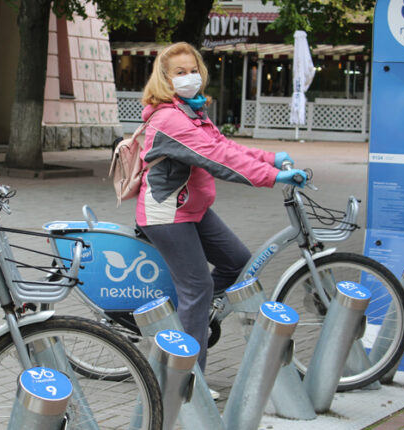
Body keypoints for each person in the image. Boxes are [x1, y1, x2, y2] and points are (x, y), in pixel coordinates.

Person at [134, 42, 306, 395]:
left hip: (192, 209)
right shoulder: (169, 119)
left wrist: (271, 158)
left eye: (192, 69)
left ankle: (192, 316)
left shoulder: (192, 111)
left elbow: (227, 146)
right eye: (179, 72)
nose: (189, 77)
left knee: (239, 262)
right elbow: (218, 159)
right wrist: (272, 177)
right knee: (198, 287)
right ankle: (186, 381)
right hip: (167, 213)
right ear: (165, 79)